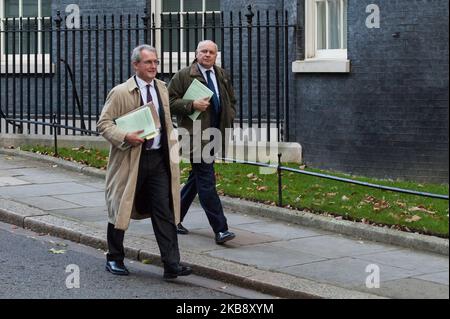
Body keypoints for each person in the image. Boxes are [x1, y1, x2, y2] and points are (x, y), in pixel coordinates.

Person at [97, 44, 192, 279]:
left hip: (158, 160)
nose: (153, 66)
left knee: (164, 211)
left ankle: (172, 264)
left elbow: (166, 121)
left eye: (156, 62)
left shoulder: (161, 88)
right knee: (120, 208)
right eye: (148, 62)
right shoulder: (121, 92)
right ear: (136, 65)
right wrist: (125, 136)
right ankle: (114, 258)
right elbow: (103, 124)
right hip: (131, 160)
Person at [168, 40, 237, 245]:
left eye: (211, 52)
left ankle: (172, 218)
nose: (207, 55)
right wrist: (191, 104)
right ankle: (221, 229)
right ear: (196, 54)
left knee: (196, 179)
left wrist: (230, 115)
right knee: (206, 181)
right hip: (195, 137)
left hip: (216, 134)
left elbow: (231, 101)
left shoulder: (221, 74)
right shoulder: (183, 76)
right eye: (203, 51)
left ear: (216, 55)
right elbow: (169, 103)